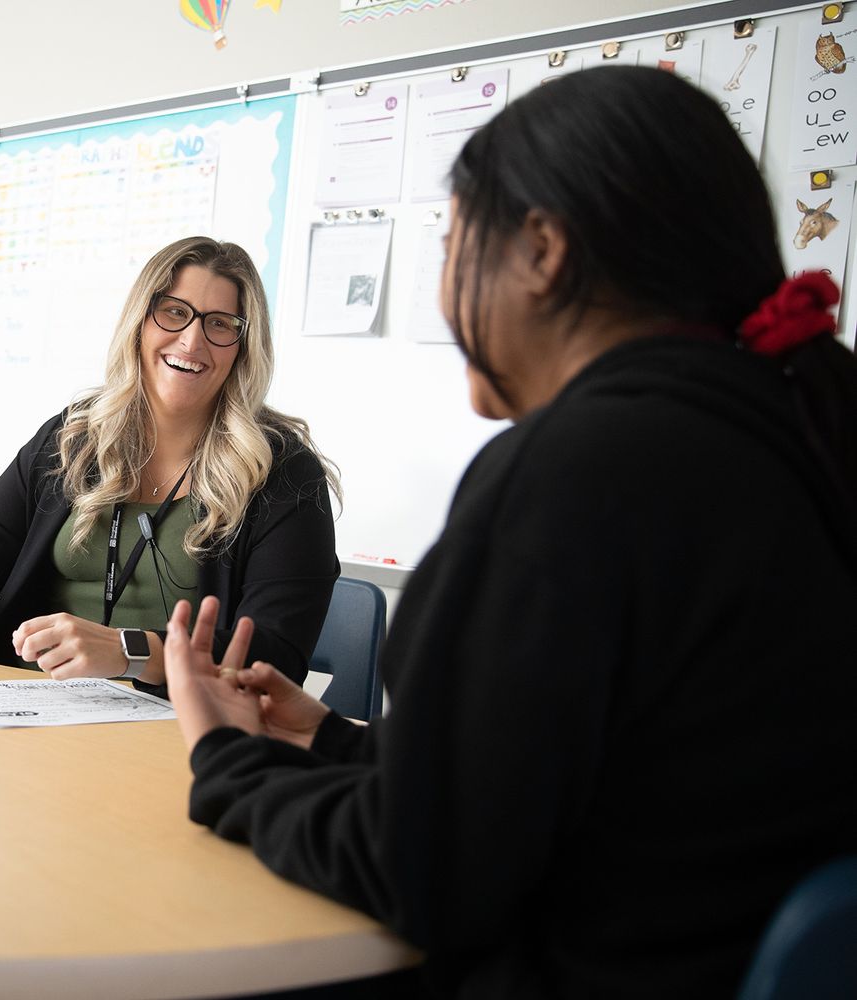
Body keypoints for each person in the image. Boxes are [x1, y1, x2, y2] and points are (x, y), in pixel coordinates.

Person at [163, 66, 857, 999]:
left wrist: (225, 761)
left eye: (453, 244)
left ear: (541, 249)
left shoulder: (580, 471)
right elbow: (558, 789)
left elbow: (418, 869)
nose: (447, 291)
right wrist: (331, 736)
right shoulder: (790, 430)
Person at [0, 236, 340, 689]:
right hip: (20, 701)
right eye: (174, 312)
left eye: (220, 323)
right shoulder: (75, 437)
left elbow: (275, 654)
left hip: (171, 730)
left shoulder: (283, 474)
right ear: (140, 322)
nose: (193, 339)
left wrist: (132, 651)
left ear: (244, 347)